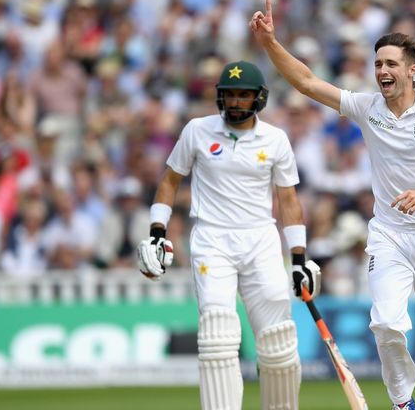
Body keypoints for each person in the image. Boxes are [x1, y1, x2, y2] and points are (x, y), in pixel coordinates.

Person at [251, 0, 415, 410]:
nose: (382, 71)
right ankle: (402, 403)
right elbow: (306, 82)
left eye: (391, 64)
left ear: (412, 69)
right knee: (386, 323)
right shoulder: (367, 107)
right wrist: (270, 43)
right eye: (378, 64)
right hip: (389, 232)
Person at [136, 60, 320, 410]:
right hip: (212, 240)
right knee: (218, 337)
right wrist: (157, 232)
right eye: (230, 95)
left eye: (243, 95)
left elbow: (288, 201)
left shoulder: (276, 139)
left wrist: (298, 257)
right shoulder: (197, 131)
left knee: (278, 341)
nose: (236, 102)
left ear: (258, 99)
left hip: (261, 239)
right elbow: (170, 181)